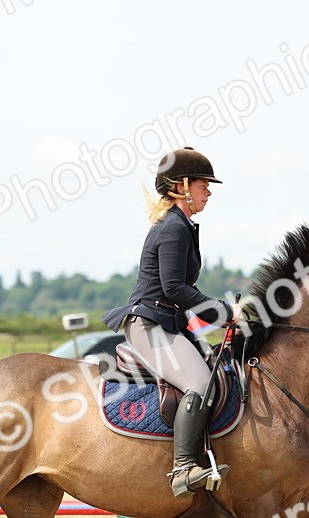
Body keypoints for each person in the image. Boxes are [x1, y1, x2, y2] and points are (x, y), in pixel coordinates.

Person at [102, 147, 236, 498]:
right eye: (203, 184)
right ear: (181, 187)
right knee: (200, 383)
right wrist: (223, 312)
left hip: (169, 322)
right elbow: (176, 288)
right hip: (150, 323)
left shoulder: (183, 226)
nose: (209, 191)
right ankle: (182, 469)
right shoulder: (173, 229)